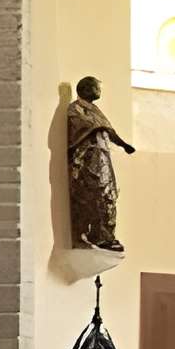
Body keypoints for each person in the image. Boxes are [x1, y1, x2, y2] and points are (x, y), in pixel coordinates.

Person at [64, 76, 133, 254]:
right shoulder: (75, 108)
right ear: (86, 89)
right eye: (97, 87)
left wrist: (124, 145)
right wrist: (97, 127)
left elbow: (108, 130)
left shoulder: (95, 110)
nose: (99, 91)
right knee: (92, 195)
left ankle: (106, 237)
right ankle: (91, 235)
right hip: (88, 157)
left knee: (108, 195)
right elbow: (82, 126)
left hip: (102, 157)